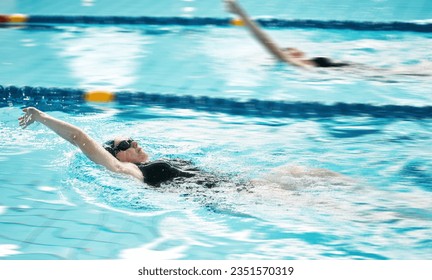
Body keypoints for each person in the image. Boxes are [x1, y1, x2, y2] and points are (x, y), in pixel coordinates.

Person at [18, 107, 349, 189]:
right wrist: (44, 117)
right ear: (118, 155)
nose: (135, 142)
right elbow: (82, 140)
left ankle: (374, 196)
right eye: (126, 143)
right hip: (240, 195)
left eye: (131, 138)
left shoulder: (160, 159)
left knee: (299, 170)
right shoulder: (132, 171)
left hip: (243, 185)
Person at [224, 0, 350, 69]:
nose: (296, 48)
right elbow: (265, 41)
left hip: (350, 68)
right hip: (346, 71)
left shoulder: (303, 61)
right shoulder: (293, 62)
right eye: (289, 49)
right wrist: (240, 13)